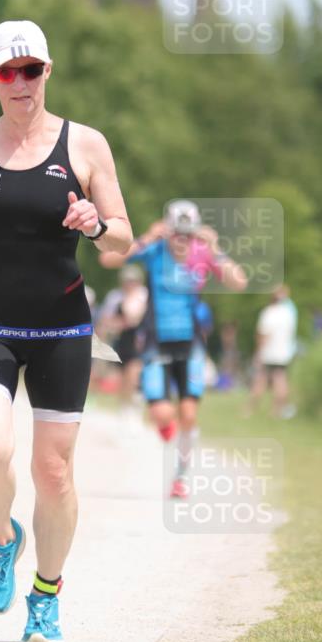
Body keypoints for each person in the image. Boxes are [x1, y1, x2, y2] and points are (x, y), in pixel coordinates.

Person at [0, 19, 133, 642]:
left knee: (55, 474)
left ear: (48, 70)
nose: (19, 83)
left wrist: (97, 224)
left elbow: (123, 242)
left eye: (31, 70)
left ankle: (45, 595)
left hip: (62, 326)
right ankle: (2, 539)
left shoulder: (86, 146)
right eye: (5, 72)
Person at [101, 200, 247, 498]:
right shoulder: (154, 252)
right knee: (163, 414)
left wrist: (215, 248)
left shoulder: (202, 255)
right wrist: (146, 238)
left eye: (188, 234)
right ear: (168, 232)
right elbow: (109, 260)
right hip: (156, 345)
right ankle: (167, 429)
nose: (182, 240)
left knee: (189, 415)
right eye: (177, 233)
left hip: (190, 345)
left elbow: (239, 282)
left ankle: (180, 478)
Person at [99, 264, 148, 410]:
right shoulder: (115, 297)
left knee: (133, 374)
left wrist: (123, 321)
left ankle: (132, 406)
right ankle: (125, 407)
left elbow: (136, 318)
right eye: (127, 280)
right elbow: (105, 320)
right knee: (120, 378)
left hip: (139, 340)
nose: (130, 283)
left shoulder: (144, 295)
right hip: (120, 341)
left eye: (133, 280)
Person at [249, 285, 298, 418]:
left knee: (261, 379)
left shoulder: (269, 312)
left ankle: (251, 409)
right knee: (280, 380)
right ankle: (276, 411)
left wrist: (258, 351)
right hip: (284, 352)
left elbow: (264, 334)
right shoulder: (289, 314)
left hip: (269, 352)